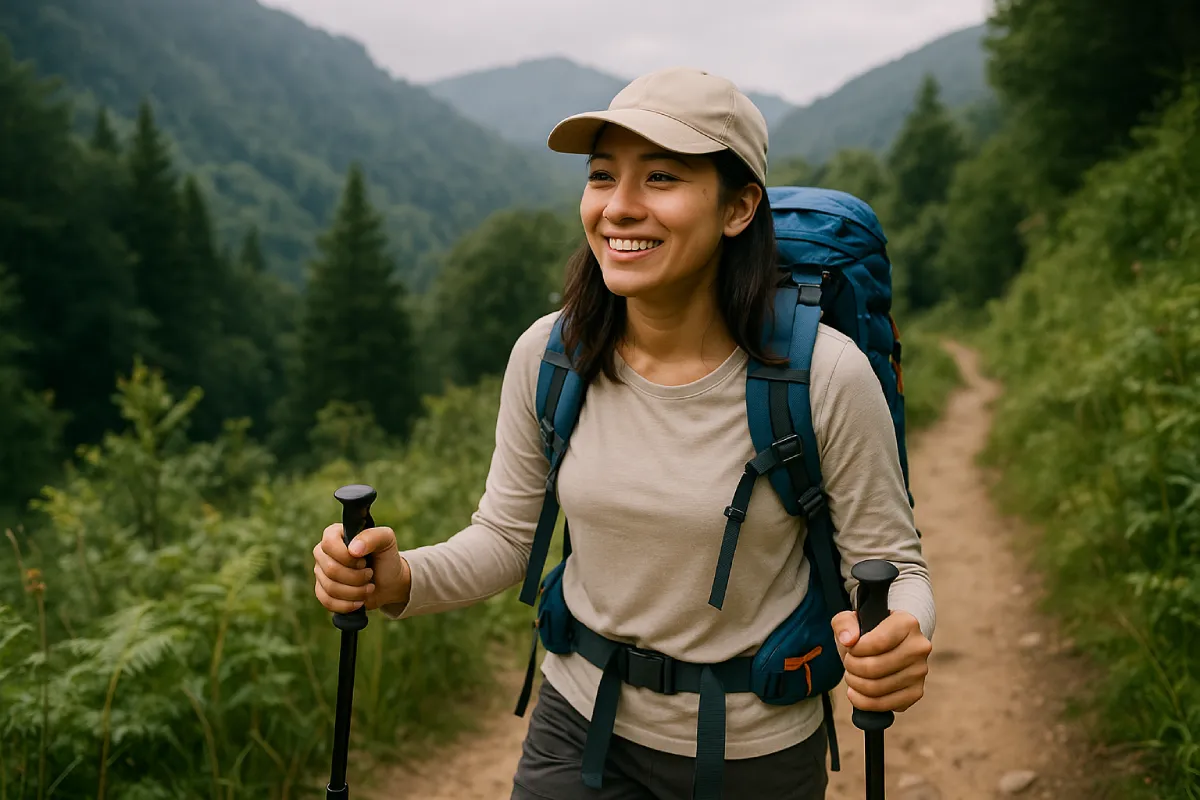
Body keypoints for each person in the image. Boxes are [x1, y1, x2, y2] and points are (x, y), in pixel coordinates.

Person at [312, 66, 935, 799]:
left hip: (754, 754)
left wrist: (899, 635)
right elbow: (508, 538)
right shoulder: (552, 355)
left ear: (739, 208)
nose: (620, 208)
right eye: (603, 176)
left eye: (662, 178)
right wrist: (400, 578)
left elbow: (895, 568)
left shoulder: (822, 377)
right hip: (576, 725)